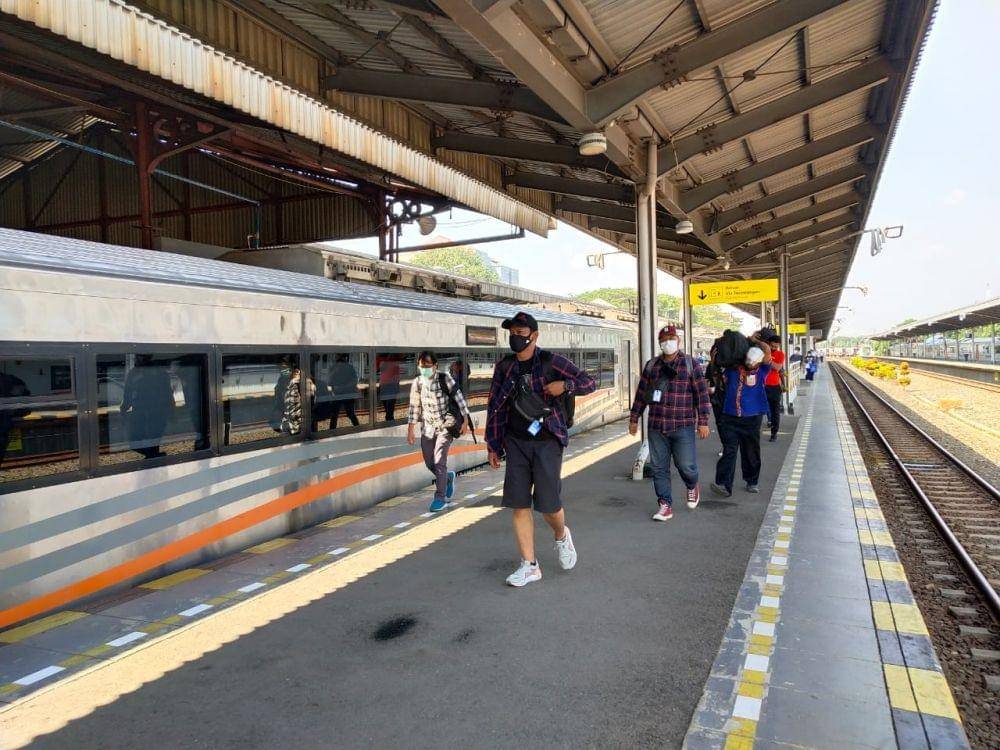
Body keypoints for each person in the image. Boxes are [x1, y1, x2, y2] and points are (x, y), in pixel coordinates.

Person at [486, 311, 596, 588]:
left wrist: (565, 385)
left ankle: (561, 535)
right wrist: (493, 445)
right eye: (512, 333)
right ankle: (530, 565)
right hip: (516, 442)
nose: (515, 338)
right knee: (519, 503)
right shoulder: (505, 367)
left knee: (549, 505)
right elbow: (495, 406)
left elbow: (589, 382)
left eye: (520, 333)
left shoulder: (551, 361)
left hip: (547, 440)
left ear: (534, 336)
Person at [628, 325, 711, 521]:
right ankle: (665, 505)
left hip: (683, 425)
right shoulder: (652, 366)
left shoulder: (690, 364)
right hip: (657, 426)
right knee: (659, 468)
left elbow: (701, 394)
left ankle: (692, 484)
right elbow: (642, 393)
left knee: (686, 466)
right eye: (664, 340)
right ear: (659, 343)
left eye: (671, 339)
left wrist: (703, 421)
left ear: (678, 341)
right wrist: (634, 418)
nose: (668, 343)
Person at [407, 351, 472, 513]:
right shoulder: (417, 383)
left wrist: (465, 420)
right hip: (427, 429)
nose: (425, 369)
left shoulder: (445, 378)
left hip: (445, 426)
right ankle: (448, 477)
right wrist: (410, 430)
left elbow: (459, 399)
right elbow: (414, 407)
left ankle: (440, 498)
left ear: (435, 365)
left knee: (438, 461)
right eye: (422, 366)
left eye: (428, 366)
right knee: (430, 462)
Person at [711, 333, 772, 497]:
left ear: (759, 362)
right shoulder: (732, 370)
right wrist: (713, 360)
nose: (750, 363)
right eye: (748, 360)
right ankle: (724, 485)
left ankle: (752, 481)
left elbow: (767, 350)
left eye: (754, 361)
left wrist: (753, 340)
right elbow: (717, 370)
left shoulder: (763, 371)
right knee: (729, 450)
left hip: (752, 418)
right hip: (730, 416)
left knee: (751, 451)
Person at [121, 355, 174, 459]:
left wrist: (124, 408)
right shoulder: (135, 373)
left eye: (138, 357)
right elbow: (128, 393)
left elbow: (168, 394)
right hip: (145, 413)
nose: (136, 359)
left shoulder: (159, 373)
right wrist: (124, 408)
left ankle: (154, 458)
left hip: (154, 413)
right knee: (140, 443)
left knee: (150, 443)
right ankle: (154, 457)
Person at [705, 344, 727, 459]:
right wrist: (708, 388)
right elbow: (706, 381)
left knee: (729, 424)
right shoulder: (711, 366)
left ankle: (730, 446)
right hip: (716, 400)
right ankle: (725, 446)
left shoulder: (730, 365)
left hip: (729, 400)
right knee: (720, 424)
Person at [763, 334, 785, 443]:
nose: (774, 348)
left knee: (775, 411)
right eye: (772, 346)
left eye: (776, 347)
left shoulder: (780, 354)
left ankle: (774, 433)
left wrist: (767, 359)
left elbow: (777, 367)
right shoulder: (761, 352)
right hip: (761, 386)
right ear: (768, 344)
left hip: (774, 387)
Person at [329, 353, 361, 427]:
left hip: (344, 394)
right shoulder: (337, 368)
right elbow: (330, 382)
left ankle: (332, 430)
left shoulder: (347, 367)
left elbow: (354, 381)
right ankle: (357, 428)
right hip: (343, 394)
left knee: (337, 415)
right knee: (338, 414)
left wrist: (341, 387)